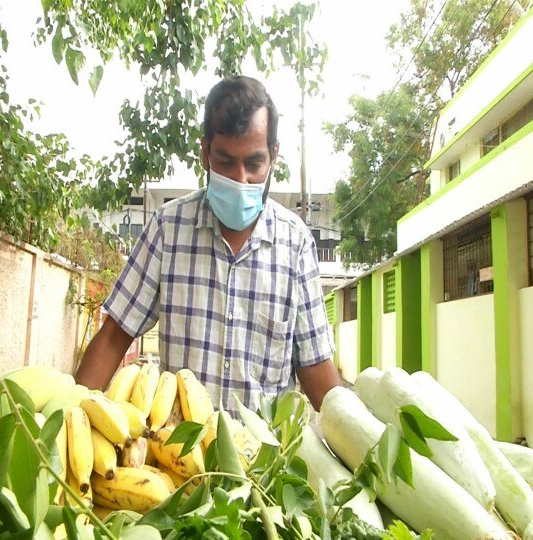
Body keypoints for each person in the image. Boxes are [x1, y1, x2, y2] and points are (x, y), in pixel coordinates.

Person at [76, 76, 342, 414]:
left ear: (273, 155)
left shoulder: (296, 244)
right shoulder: (167, 229)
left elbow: (315, 367)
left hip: (262, 461)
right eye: (226, 162)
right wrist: (70, 415)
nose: (240, 179)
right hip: (181, 458)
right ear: (205, 153)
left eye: (254, 163)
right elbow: (115, 336)